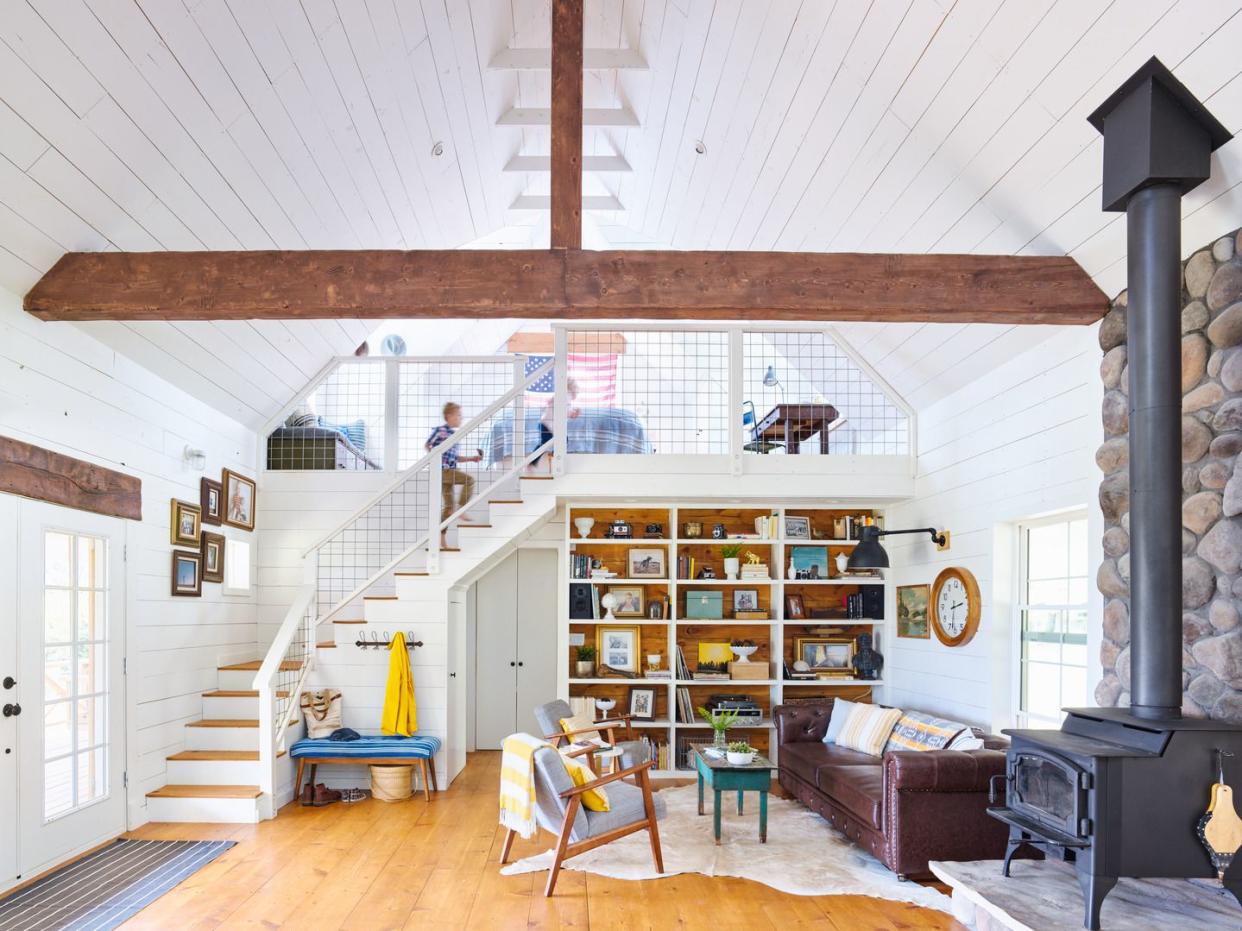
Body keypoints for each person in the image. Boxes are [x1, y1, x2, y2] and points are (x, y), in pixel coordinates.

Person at [425, 402, 483, 545]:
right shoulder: (440, 431)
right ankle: (461, 508)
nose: (460, 418)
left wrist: (471, 458)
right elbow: (428, 445)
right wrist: (435, 458)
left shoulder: (455, 436)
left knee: (448, 507)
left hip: (450, 470)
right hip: (443, 471)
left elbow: (454, 458)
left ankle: (442, 538)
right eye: (458, 415)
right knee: (469, 480)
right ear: (448, 416)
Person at [529, 377, 579, 474]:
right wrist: (572, 413)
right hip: (547, 425)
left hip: (549, 425)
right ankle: (533, 462)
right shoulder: (565, 395)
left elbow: (563, 410)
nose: (576, 394)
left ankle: (555, 459)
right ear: (572, 389)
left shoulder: (563, 395)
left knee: (558, 441)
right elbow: (563, 410)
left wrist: (572, 413)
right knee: (547, 443)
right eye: (576, 391)